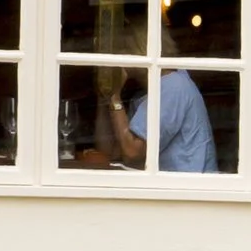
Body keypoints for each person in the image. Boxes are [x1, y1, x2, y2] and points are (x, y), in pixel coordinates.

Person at [71, 63, 219, 172]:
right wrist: (106, 95)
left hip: (188, 197)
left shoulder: (173, 85)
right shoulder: (145, 92)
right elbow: (113, 152)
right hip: (171, 193)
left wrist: (114, 96)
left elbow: (132, 152)